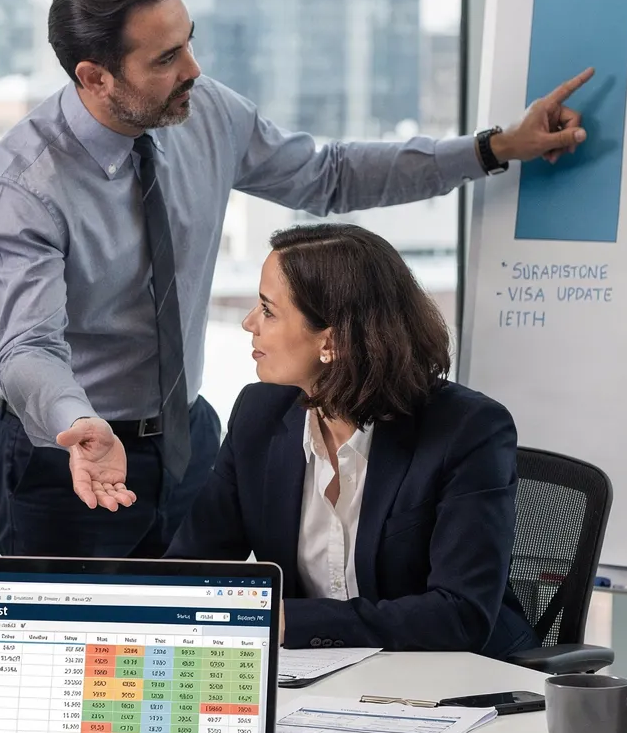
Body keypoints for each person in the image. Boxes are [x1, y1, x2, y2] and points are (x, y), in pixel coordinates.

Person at [0, 0, 595, 559]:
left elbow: (330, 175)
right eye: (166, 58)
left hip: (188, 442)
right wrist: (80, 423)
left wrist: (492, 148)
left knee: (190, 647)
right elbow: (28, 347)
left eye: (190, 41)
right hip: (70, 462)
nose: (193, 68)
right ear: (95, 77)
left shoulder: (203, 110)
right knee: (80, 657)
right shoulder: (21, 188)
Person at [165, 224, 536, 655]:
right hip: (314, 681)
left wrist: (290, 621)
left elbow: (458, 615)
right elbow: (193, 567)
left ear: (334, 339)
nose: (250, 323)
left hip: (454, 683)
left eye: (268, 310)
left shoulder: (468, 429)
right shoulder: (258, 413)